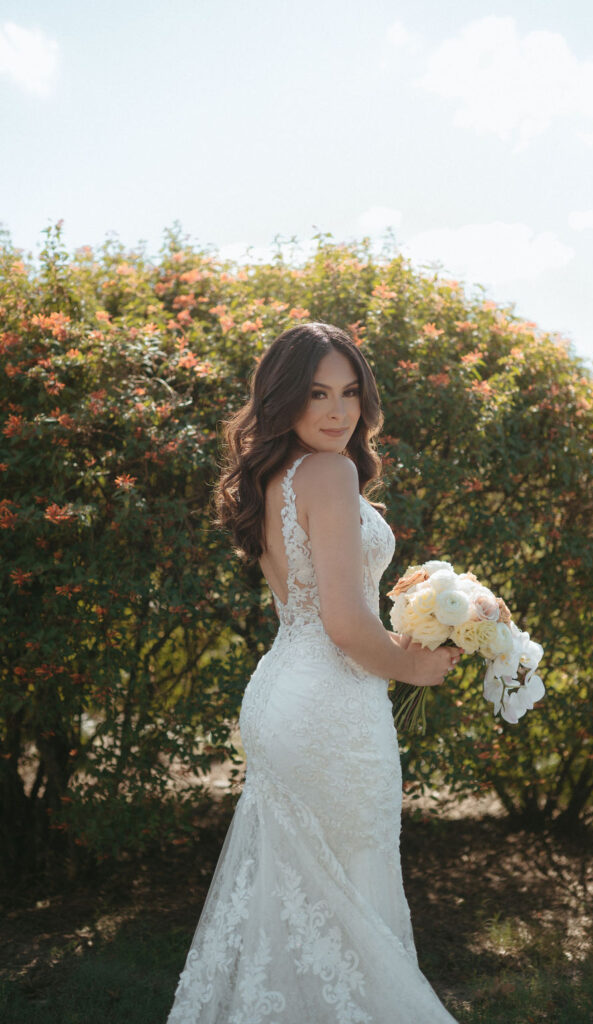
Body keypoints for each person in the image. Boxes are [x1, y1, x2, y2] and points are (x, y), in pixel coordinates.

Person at [167, 322, 462, 1023]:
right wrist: (414, 669)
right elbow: (342, 625)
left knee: (302, 895)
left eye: (350, 393)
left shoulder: (278, 473)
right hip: (328, 704)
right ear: (282, 400)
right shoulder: (329, 472)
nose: (338, 411)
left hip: (286, 691)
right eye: (317, 394)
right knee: (348, 892)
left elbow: (329, 610)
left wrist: (405, 634)